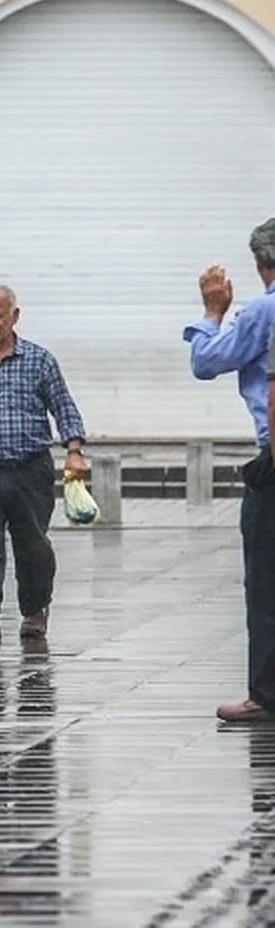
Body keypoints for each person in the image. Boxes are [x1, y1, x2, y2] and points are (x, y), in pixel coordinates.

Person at [0, 285, 88, 643]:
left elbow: (64, 408)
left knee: (32, 546)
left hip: (29, 471)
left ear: (14, 316)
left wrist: (73, 450)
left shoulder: (40, 361)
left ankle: (35, 610)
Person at [182, 218, 275, 722]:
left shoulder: (263, 309)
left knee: (265, 581)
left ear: (262, 264)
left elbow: (207, 361)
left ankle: (264, 692)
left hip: (272, 459)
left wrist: (212, 311)